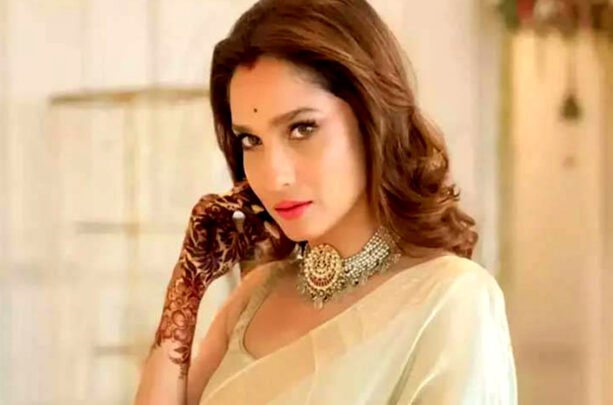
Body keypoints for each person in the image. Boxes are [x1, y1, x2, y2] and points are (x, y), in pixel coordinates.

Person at [134, 0, 517, 404]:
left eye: (302, 128)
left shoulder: (451, 299)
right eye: (251, 140)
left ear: (372, 118)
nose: (274, 176)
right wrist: (186, 287)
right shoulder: (257, 294)